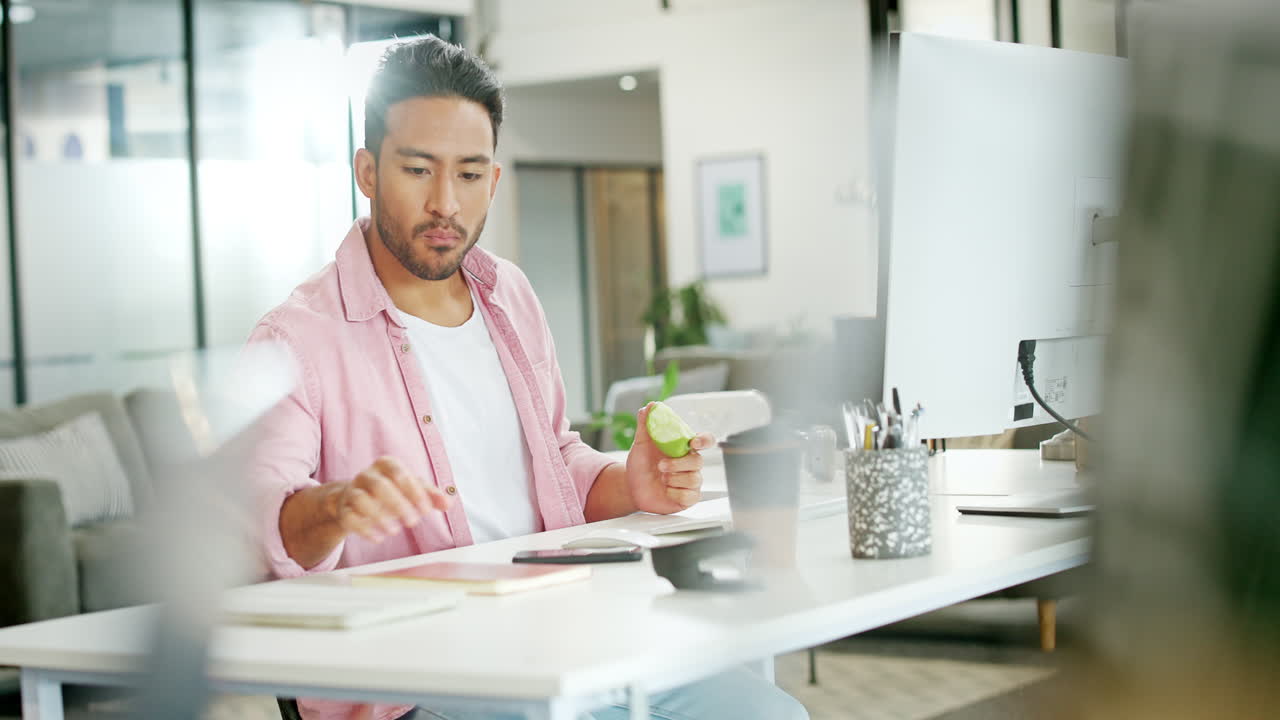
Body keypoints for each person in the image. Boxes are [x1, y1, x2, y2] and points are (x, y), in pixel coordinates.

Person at [248, 36, 808, 720]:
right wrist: (333, 508)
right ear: (367, 171)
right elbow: (262, 520)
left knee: (769, 715)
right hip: (422, 685)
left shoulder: (507, 295)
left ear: (495, 178)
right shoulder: (297, 338)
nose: (446, 204)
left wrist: (626, 484)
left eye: (470, 173)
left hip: (562, 639)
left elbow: (554, 455)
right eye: (419, 170)